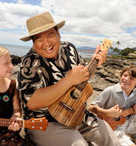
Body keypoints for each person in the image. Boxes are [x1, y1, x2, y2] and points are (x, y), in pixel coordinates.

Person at [17, 11, 121, 146]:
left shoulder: (69, 48)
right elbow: (32, 102)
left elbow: (82, 76)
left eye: (50, 35)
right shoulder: (29, 63)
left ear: (58, 34)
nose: (46, 43)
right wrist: (68, 80)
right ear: (33, 42)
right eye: (39, 39)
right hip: (45, 123)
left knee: (112, 140)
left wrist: (95, 62)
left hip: (78, 115)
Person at [89, 66, 136, 146]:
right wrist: (108, 112)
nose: (126, 79)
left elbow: (130, 114)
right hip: (109, 127)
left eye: (131, 78)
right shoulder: (110, 91)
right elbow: (91, 107)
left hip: (125, 124)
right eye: (125, 75)